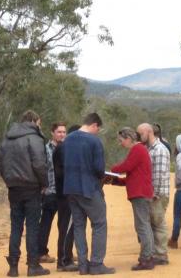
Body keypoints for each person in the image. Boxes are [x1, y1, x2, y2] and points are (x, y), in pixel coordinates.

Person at [0, 110, 50, 277]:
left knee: (16, 227)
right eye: (39, 122)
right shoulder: (34, 138)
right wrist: (44, 183)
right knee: (33, 227)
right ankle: (32, 266)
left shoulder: (8, 138)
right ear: (35, 121)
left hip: (14, 188)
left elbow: (0, 163)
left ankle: (13, 267)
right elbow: (39, 164)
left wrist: (8, 181)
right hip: (31, 187)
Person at [63, 113, 115, 275]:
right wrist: (104, 177)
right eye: (97, 129)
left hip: (71, 189)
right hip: (89, 188)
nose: (97, 132)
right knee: (99, 224)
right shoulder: (94, 141)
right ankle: (97, 264)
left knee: (78, 225)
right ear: (94, 125)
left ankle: (83, 265)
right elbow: (99, 168)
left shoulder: (68, 139)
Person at [110, 127, 154, 271]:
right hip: (142, 192)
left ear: (128, 139)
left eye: (121, 140)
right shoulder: (140, 150)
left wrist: (112, 170)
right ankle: (148, 256)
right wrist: (117, 181)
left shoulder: (137, 150)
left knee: (142, 226)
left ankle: (146, 258)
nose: (121, 143)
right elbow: (134, 175)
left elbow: (126, 167)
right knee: (144, 225)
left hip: (140, 194)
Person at [137, 123, 170, 265]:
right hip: (151, 193)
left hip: (157, 193)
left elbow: (159, 174)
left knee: (158, 223)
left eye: (140, 134)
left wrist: (154, 193)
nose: (139, 137)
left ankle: (161, 254)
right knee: (152, 223)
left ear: (148, 132)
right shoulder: (149, 149)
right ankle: (155, 253)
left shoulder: (160, 150)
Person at [53, 124, 80, 272]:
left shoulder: (65, 147)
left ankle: (66, 257)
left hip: (65, 193)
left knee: (67, 227)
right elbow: (62, 172)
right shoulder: (64, 149)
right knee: (66, 227)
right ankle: (63, 260)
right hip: (66, 194)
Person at [38, 122, 66, 264]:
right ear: (52, 133)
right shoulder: (45, 149)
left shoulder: (67, 149)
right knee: (46, 223)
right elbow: (41, 169)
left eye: (63, 132)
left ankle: (66, 253)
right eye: (59, 132)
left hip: (65, 192)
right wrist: (43, 187)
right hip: (50, 191)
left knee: (64, 224)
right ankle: (41, 252)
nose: (62, 134)